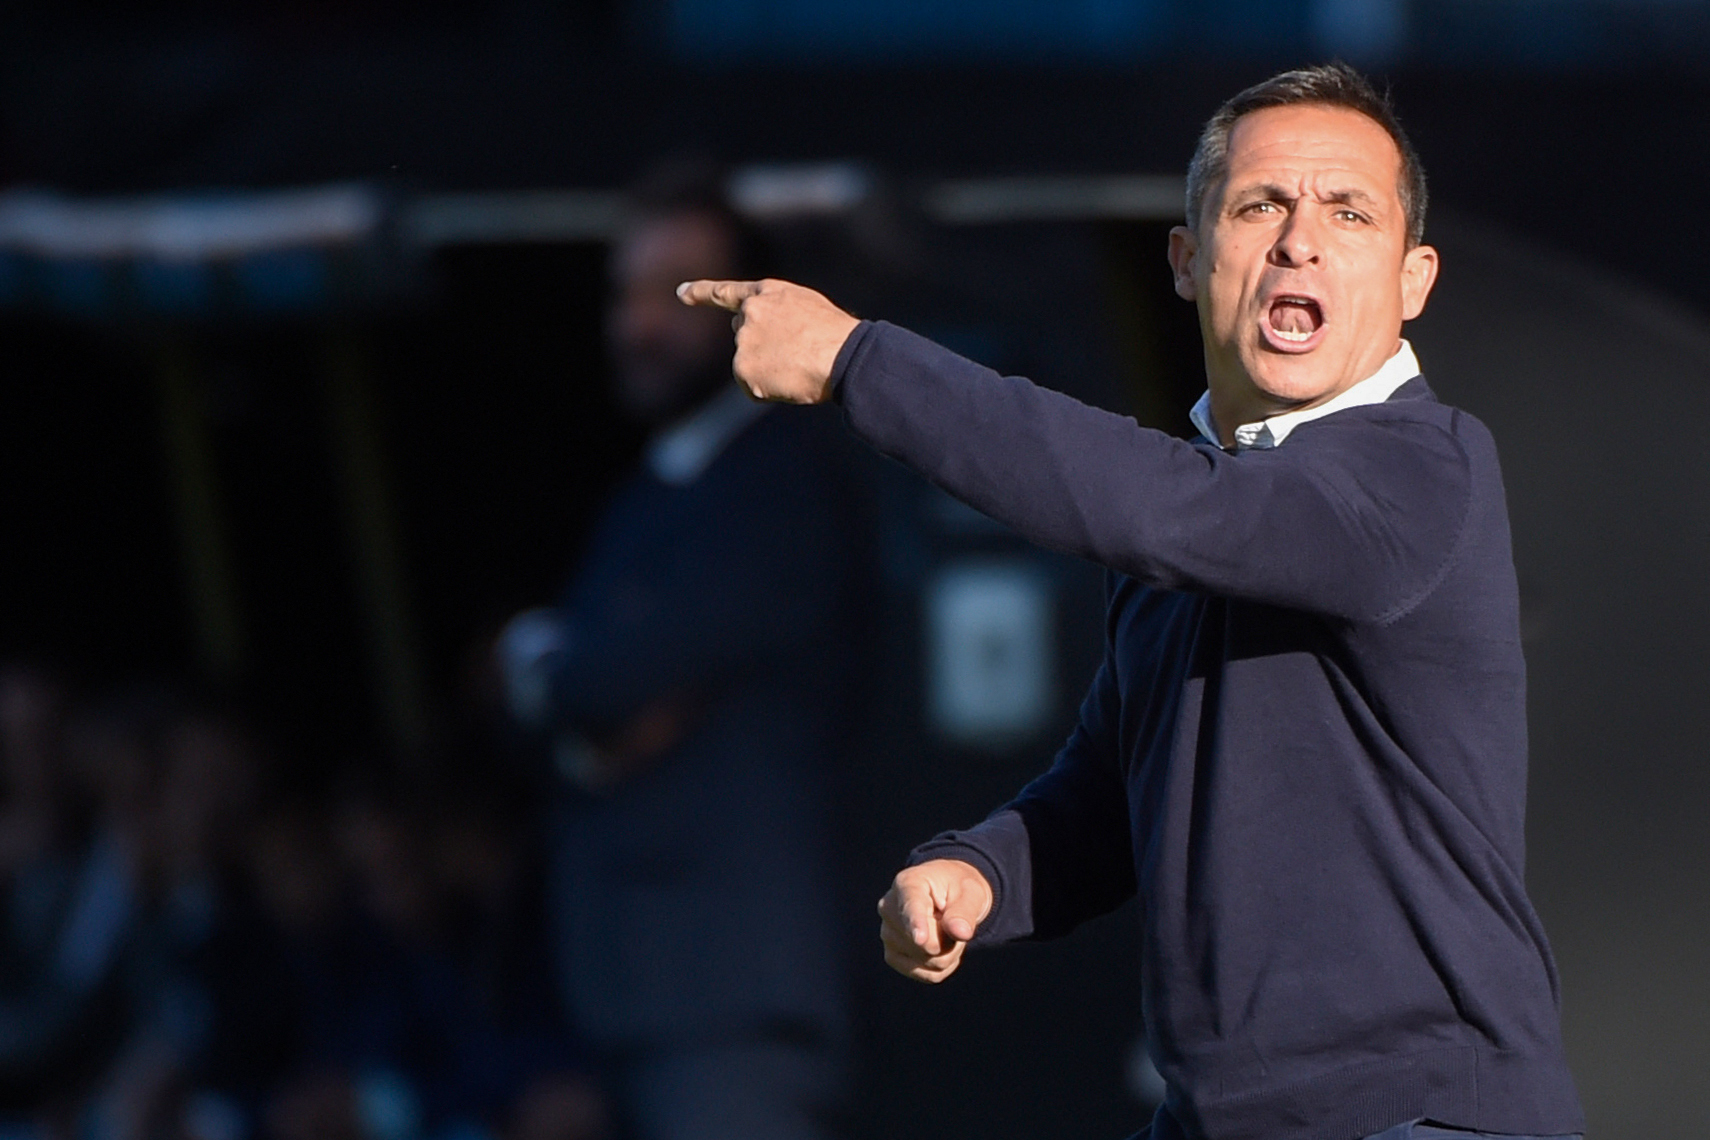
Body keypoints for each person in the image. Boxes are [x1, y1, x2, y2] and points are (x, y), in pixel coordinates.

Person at [679, 64, 1584, 1140]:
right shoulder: (1198, 508)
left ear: (1412, 278)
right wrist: (983, 872)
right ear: (1188, 261)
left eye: (1349, 211)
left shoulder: (1424, 465)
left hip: (1417, 1120)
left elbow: (1157, 508)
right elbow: (1113, 794)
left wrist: (858, 360)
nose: (1301, 239)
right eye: (1261, 205)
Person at [495, 165, 869, 1140]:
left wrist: (553, 672)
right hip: (642, 1003)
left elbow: (595, 682)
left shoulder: (777, 482)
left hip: (734, 1006)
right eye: (626, 294)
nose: (640, 324)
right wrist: (565, 692)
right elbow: (577, 705)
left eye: (676, 294)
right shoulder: (650, 494)